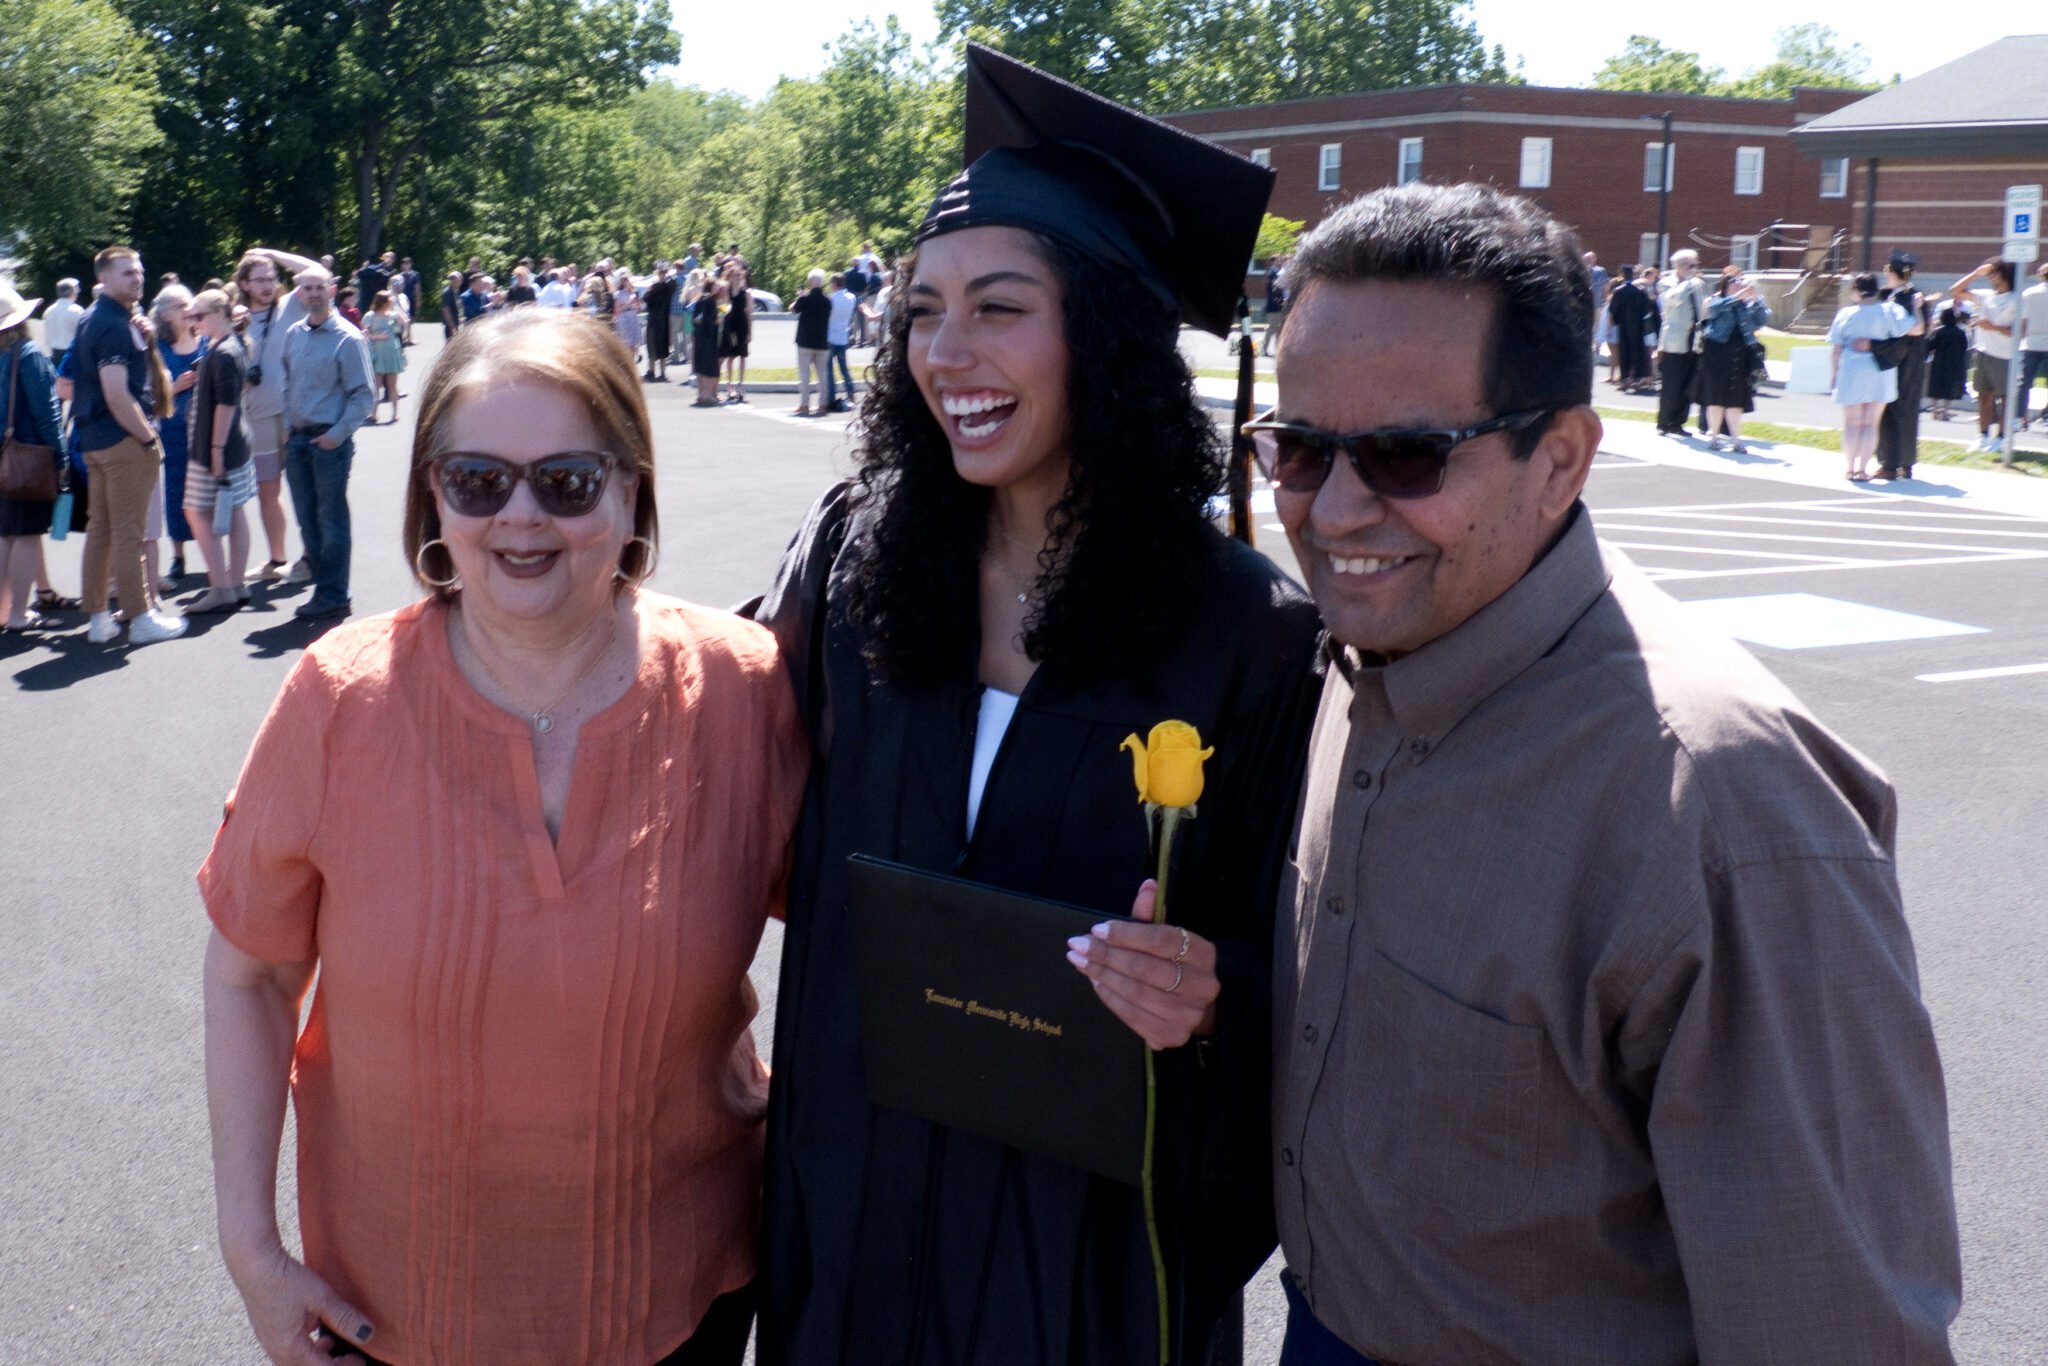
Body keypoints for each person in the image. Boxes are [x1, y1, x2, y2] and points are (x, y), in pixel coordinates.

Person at [1260, 179, 1961, 1366]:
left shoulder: (1720, 805)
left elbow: (1832, 1320)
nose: (1332, 510)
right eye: (1297, 448)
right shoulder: (1361, 653)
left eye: (1404, 455)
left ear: (1559, 460)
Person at [750, 44, 1321, 1366]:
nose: (945, 351)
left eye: (998, 307)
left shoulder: (1240, 628)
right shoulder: (855, 560)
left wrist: (1211, 991)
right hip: (852, 1190)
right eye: (921, 310)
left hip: (1080, 1254)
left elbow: (1299, 956)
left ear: (1105, 334)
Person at [200, 306, 806, 1366]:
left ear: (631, 491)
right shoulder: (340, 699)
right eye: (478, 480)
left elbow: (873, 946)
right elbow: (250, 974)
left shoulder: (743, 689)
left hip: (679, 1296)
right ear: (433, 494)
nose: (519, 517)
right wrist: (250, 1244)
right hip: (393, 1308)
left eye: (566, 481)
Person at [73, 247, 187, 645]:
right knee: (128, 534)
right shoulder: (111, 324)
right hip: (123, 440)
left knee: (101, 532)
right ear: (103, 278)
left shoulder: (98, 317)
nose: (137, 278)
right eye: (126, 273)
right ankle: (140, 618)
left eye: (138, 271)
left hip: (96, 439)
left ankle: (99, 619)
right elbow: (117, 394)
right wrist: (147, 437)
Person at [279, 269, 374, 620]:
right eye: (308, 288)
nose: (315, 293)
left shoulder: (348, 339)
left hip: (328, 443)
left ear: (332, 291)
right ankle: (324, 587)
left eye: (320, 287)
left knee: (331, 520)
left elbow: (363, 396)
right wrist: (286, 427)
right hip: (297, 441)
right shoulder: (294, 334)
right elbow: (287, 383)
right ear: (299, 294)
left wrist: (336, 435)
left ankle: (333, 594)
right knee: (307, 519)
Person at [233, 248, 322, 582]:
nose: (268, 285)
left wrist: (269, 253)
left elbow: (316, 270)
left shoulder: (290, 306)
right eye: (259, 280)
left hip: (295, 415)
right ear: (244, 284)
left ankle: (312, 558)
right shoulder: (235, 317)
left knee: (305, 488)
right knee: (268, 492)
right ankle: (276, 560)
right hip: (256, 416)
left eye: (271, 278)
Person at [181, 288, 256, 613]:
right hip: (232, 444)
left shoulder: (224, 351)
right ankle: (235, 583)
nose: (193, 322)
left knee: (196, 510)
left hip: (217, 447)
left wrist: (215, 451)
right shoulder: (228, 345)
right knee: (234, 508)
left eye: (198, 316)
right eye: (191, 316)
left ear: (221, 315)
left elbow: (226, 404)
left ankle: (222, 587)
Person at [0, 282, 65, 632]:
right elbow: (47, 413)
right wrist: (61, 456)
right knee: (25, 535)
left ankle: (2, 611)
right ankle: (18, 615)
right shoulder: (27, 354)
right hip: (27, 455)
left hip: (2, 456)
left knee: (4, 535)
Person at [1828, 272, 1912, 482]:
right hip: (1880, 369)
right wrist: (1917, 307)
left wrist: (1834, 374)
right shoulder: (1889, 310)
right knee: (1871, 423)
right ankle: (1863, 469)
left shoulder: (1846, 314)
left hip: (1852, 368)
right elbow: (1909, 327)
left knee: (1852, 423)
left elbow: (1836, 349)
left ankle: (1850, 468)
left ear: (1856, 291)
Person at [150, 283, 205, 589]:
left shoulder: (205, 340)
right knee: (176, 492)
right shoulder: (157, 349)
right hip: (172, 431)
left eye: (188, 304)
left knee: (210, 491)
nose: (187, 311)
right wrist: (175, 387)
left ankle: (213, 552)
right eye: (179, 306)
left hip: (207, 429)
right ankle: (179, 555)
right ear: (163, 315)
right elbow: (148, 395)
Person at [1696, 264, 1769, 453]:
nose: (1740, 286)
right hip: (1717, 353)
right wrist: (1735, 298)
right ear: (1726, 286)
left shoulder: (1748, 304)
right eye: (1735, 283)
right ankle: (1714, 437)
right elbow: (1712, 310)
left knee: (1736, 398)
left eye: (1741, 283)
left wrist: (1756, 301)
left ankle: (1736, 439)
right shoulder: (1717, 300)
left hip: (1740, 353)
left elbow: (1762, 320)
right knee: (1716, 397)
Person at [1949, 259, 2017, 453]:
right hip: (1982, 352)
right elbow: (1955, 291)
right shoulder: (1985, 295)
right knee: (1983, 396)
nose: (1990, 276)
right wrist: (1976, 273)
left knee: (2005, 399)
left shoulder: (2016, 299)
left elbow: (2019, 331)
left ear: (2005, 274)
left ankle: (2002, 438)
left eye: (1994, 272)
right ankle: (1983, 435)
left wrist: (1992, 327)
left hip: (2005, 355)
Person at [1875, 252, 1931, 479]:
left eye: (1886, 270)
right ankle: (1904, 463)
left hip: (1899, 360)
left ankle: (1890, 464)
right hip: (1908, 360)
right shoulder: (1903, 295)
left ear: (1892, 272)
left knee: (1892, 409)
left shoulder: (1906, 298)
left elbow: (1915, 330)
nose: (1884, 274)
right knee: (1905, 410)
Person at [1654, 249, 1710, 436]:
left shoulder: (1698, 284)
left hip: (1694, 340)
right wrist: (1688, 282)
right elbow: (1670, 300)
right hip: (1674, 341)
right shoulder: (1666, 283)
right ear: (1680, 265)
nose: (1694, 268)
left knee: (1688, 384)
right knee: (1672, 384)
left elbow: (1703, 307)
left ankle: (1678, 423)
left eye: (1696, 265)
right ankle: (1664, 422)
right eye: (1691, 265)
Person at [1606, 264, 1654, 393]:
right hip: (1638, 326)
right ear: (1633, 275)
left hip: (1624, 325)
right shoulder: (1640, 291)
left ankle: (1626, 379)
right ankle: (1638, 378)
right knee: (1638, 351)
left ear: (1622, 275)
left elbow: (1612, 311)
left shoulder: (1619, 291)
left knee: (1624, 352)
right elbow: (1648, 308)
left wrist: (1611, 326)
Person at [790, 268, 831, 416]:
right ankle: (823, 402)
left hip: (805, 341)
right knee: (822, 374)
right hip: (822, 341)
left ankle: (805, 404)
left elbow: (793, 309)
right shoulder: (827, 301)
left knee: (804, 374)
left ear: (809, 282)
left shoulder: (805, 299)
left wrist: (800, 296)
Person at [361, 290, 405, 425]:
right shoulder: (370, 316)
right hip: (378, 352)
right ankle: (373, 414)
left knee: (392, 384)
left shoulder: (393, 315)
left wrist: (396, 308)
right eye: (390, 300)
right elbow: (363, 333)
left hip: (392, 351)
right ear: (383, 302)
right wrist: (377, 336)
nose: (391, 302)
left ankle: (395, 413)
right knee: (376, 385)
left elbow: (403, 321)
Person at [2018, 261, 2048, 431]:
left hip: (2030, 343)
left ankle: (2021, 417)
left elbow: (2023, 321)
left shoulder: (2028, 293)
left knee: (2024, 383)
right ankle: (2046, 415)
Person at [1926, 304, 1969, 423]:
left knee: (1936, 386)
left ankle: (1935, 411)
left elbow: (1930, 346)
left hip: (1939, 362)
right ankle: (1945, 411)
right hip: (1954, 363)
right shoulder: (1960, 333)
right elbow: (1964, 348)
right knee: (1949, 387)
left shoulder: (1939, 332)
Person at [825, 270, 858, 411]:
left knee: (829, 370)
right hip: (843, 336)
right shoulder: (852, 297)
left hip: (830, 336)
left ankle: (831, 396)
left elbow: (827, 316)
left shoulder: (831, 299)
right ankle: (851, 394)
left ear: (834, 284)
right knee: (844, 368)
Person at [690, 278, 724, 408]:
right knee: (707, 365)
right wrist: (716, 322)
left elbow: (696, 318)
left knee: (701, 365)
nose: (717, 288)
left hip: (700, 336)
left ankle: (703, 393)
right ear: (709, 287)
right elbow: (706, 320)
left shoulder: (702, 299)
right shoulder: (708, 300)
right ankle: (707, 394)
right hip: (707, 337)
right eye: (714, 286)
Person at [718, 267, 750, 404]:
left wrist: (750, 331)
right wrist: (724, 308)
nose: (737, 278)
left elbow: (748, 312)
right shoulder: (727, 291)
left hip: (742, 325)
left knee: (742, 355)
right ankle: (729, 385)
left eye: (739, 275)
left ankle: (741, 384)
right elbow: (722, 309)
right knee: (730, 356)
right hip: (730, 326)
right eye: (735, 275)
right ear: (730, 277)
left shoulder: (745, 293)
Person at [41, 278, 84, 378]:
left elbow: (47, 335)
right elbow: (83, 335)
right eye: (77, 289)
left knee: (58, 383)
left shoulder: (49, 311)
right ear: (72, 292)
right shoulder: (77, 311)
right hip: (73, 354)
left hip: (55, 355)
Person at [643, 263, 676, 382]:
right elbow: (647, 300)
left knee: (660, 347)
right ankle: (652, 371)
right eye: (661, 273)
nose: (663, 275)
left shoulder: (666, 287)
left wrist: (669, 275)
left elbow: (673, 285)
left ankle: (660, 372)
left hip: (661, 320)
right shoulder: (656, 287)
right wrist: (649, 290)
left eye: (664, 273)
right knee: (654, 346)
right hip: (656, 320)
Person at [612, 271, 644, 365]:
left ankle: (633, 363)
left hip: (633, 318)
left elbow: (639, 308)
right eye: (629, 280)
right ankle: (628, 364)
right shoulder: (618, 294)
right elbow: (617, 310)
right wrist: (628, 304)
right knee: (627, 344)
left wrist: (637, 304)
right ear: (624, 282)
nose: (631, 282)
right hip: (624, 319)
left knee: (634, 344)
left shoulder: (634, 293)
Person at [440, 270, 464, 337]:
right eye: (452, 279)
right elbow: (446, 311)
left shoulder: (455, 291)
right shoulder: (447, 292)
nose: (454, 280)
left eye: (458, 279)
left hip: (457, 323)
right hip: (450, 326)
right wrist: (452, 327)